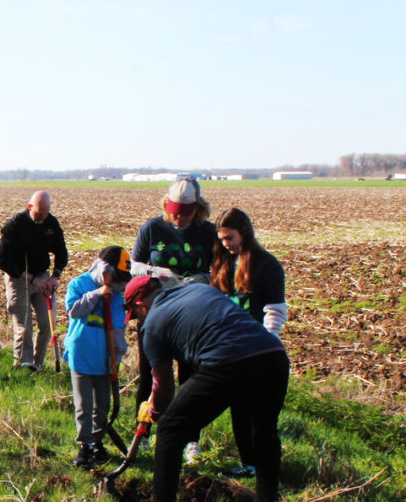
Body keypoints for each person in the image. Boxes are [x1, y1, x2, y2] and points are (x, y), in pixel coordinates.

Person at [123, 277, 289, 502]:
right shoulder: (197, 289)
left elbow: (163, 391)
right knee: (265, 434)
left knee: (170, 429)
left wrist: (152, 412)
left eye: (135, 315)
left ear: (141, 303)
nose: (137, 321)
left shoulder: (152, 325)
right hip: (273, 356)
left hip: (227, 362)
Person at [131, 177, 217, 463]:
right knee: (150, 377)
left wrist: (204, 277)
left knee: (190, 379)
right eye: (174, 211)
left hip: (192, 316)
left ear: (197, 209)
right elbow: (133, 265)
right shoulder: (152, 228)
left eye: (185, 212)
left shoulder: (207, 232)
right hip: (156, 313)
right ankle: (142, 433)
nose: (178, 217)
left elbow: (219, 268)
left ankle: (190, 439)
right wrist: (157, 273)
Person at [211, 207, 288, 478]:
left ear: (243, 232)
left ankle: (266, 468)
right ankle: (249, 464)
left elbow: (275, 309)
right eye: (221, 239)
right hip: (230, 349)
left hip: (258, 350)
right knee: (239, 410)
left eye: (229, 238)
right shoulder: (222, 263)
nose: (225, 244)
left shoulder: (266, 265)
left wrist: (265, 343)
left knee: (259, 414)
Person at [63, 246, 131, 468]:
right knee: (84, 404)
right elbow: (74, 310)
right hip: (82, 353)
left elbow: (120, 326)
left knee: (102, 404)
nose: (116, 283)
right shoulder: (79, 284)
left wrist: (118, 355)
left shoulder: (118, 294)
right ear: (104, 269)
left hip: (105, 358)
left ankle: (97, 441)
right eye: (114, 276)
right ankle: (85, 445)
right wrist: (97, 294)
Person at [0, 190, 68, 372]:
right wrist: (29, 278)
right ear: (30, 207)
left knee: (47, 323)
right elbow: (3, 260)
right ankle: (23, 366)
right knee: (24, 326)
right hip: (19, 279)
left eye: (46, 213)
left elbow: (62, 252)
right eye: (39, 213)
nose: (43, 217)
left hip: (42, 277)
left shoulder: (51, 223)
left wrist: (55, 277)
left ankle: (38, 365)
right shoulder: (15, 225)